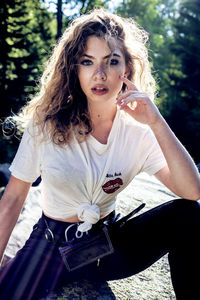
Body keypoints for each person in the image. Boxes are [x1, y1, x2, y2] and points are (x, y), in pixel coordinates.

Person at [0, 8, 200, 300]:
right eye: (87, 62)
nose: (100, 74)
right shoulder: (47, 123)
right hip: (49, 250)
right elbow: (14, 198)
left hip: (105, 249)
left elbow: (192, 190)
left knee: (189, 216)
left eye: (112, 61)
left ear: (127, 71)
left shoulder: (139, 130)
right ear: (74, 68)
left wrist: (157, 122)